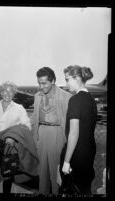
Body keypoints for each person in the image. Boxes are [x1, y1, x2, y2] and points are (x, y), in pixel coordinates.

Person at [0, 81, 31, 193]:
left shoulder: (19, 108)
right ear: (1, 93)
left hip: (10, 143)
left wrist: (14, 138)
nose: (7, 94)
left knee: (8, 172)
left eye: (11, 92)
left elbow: (27, 126)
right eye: (5, 91)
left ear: (14, 93)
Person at [31, 67, 71, 195]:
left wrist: (58, 121)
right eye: (39, 83)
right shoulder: (37, 96)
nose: (41, 86)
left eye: (44, 83)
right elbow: (34, 117)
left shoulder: (66, 97)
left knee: (56, 171)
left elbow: (70, 123)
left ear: (53, 80)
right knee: (42, 171)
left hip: (57, 134)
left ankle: (56, 192)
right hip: (41, 133)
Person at [60, 65, 97, 195]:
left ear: (76, 79)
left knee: (73, 189)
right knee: (84, 188)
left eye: (67, 79)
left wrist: (66, 161)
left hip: (77, 154)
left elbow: (74, 133)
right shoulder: (91, 100)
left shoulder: (75, 100)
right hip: (89, 152)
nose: (66, 84)